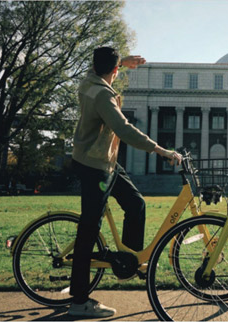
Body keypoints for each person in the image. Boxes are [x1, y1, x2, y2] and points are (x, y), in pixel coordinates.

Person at [68, 47, 182, 318]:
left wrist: (120, 62)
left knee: (136, 203)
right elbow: (125, 130)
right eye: (117, 68)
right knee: (89, 229)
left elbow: (102, 71)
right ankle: (79, 301)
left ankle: (129, 261)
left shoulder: (89, 80)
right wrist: (162, 150)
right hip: (94, 166)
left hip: (104, 161)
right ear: (115, 70)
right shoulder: (104, 97)